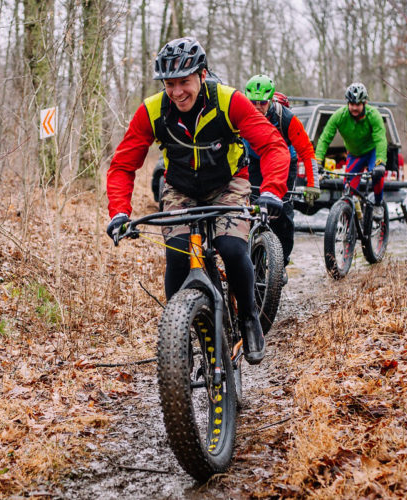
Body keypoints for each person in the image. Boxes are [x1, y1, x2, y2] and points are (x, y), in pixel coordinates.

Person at [105, 38, 290, 365]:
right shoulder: (152, 111)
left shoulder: (229, 101)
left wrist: (273, 190)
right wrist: (120, 212)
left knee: (231, 248)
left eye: (184, 82)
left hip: (229, 183)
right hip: (180, 188)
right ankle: (181, 338)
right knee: (177, 257)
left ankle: (248, 318)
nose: (177, 92)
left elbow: (273, 147)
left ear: (202, 75)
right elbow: (122, 165)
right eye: (170, 84)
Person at [241, 74, 320, 271]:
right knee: (250, 208)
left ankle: (281, 262)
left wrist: (313, 184)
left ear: (270, 100)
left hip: (284, 162)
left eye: (262, 103)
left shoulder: (286, 118)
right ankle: (252, 256)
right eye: (253, 103)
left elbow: (307, 151)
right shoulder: (240, 114)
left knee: (282, 212)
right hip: (254, 162)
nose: (257, 107)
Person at [315, 82, 388, 219]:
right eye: (352, 104)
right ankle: (352, 220)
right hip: (354, 155)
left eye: (358, 104)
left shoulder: (373, 115)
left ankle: (378, 204)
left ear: (365, 102)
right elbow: (325, 138)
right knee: (348, 190)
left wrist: (381, 162)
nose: (354, 107)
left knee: (377, 175)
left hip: (372, 153)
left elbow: (381, 139)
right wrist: (318, 161)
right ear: (347, 102)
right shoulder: (339, 116)